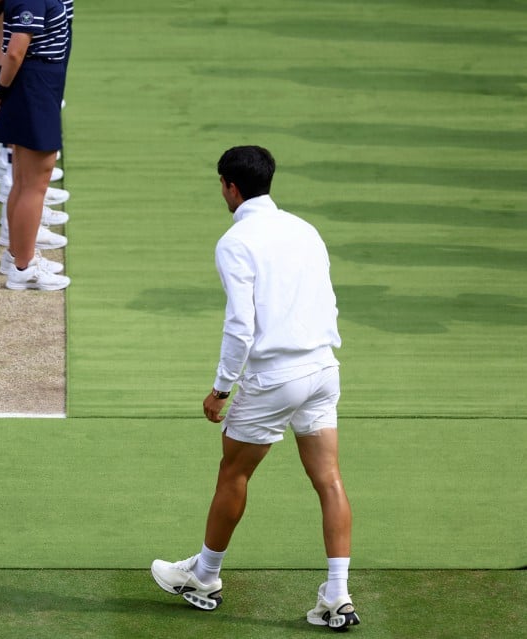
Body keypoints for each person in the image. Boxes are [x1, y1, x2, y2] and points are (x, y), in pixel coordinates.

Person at [151, 146, 360, 631]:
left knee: (233, 473)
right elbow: (327, 300)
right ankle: (337, 595)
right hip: (324, 370)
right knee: (329, 480)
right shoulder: (305, 230)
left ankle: (204, 576)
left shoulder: (235, 241)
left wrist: (221, 389)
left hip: (274, 379)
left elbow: (241, 326)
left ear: (230, 186)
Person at [0, 0, 72, 291]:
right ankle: (24, 267)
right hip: (33, 86)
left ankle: (17, 257)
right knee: (34, 183)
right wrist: (0, 89)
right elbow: (15, 51)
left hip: (37, 85)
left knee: (25, 181)